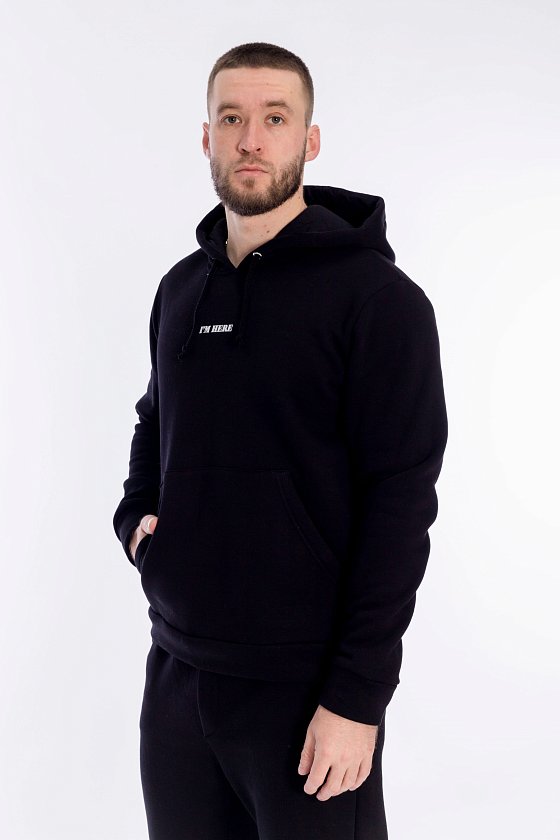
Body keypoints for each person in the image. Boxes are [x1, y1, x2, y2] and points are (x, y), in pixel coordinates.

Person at [113, 41, 448, 840]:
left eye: (274, 118)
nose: (251, 140)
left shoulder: (379, 301)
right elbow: (155, 418)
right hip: (177, 681)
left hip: (309, 697)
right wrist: (136, 524)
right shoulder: (180, 289)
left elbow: (401, 503)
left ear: (310, 139)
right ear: (207, 138)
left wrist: (357, 698)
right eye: (231, 119)